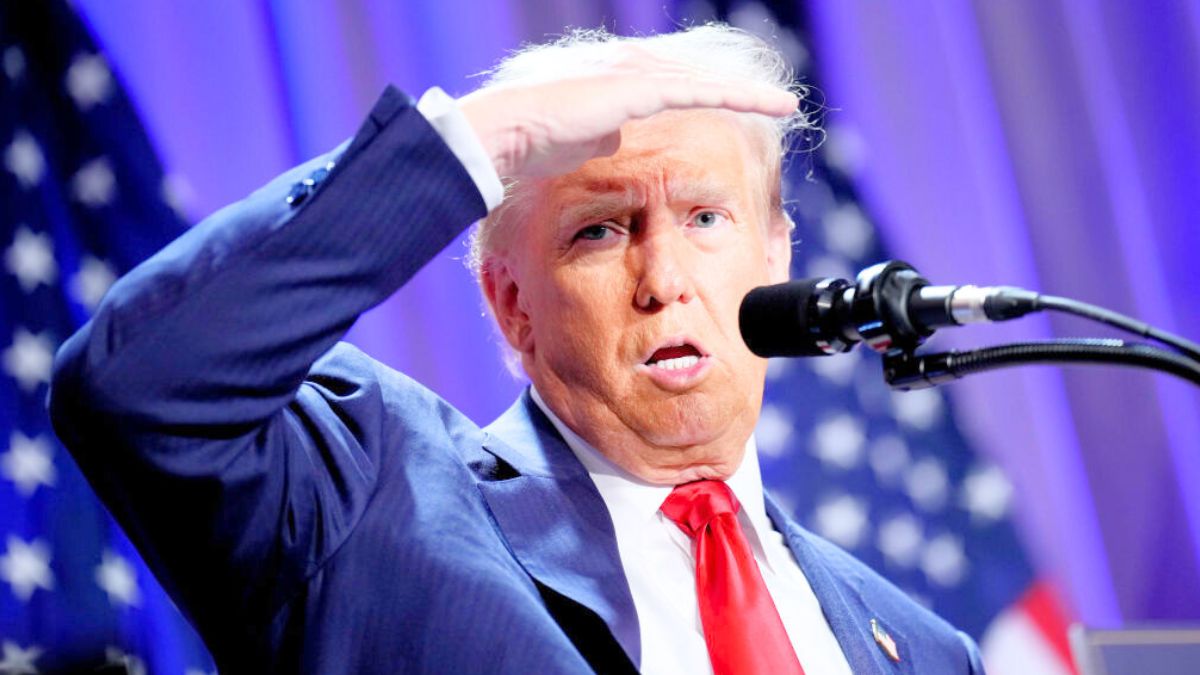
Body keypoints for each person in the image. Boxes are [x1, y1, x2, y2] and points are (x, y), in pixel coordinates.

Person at [49, 24, 984, 674]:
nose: (664, 276)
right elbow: (138, 384)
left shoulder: (925, 647)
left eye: (706, 216)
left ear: (776, 252)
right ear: (510, 305)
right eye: (600, 232)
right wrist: (479, 140)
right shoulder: (369, 497)